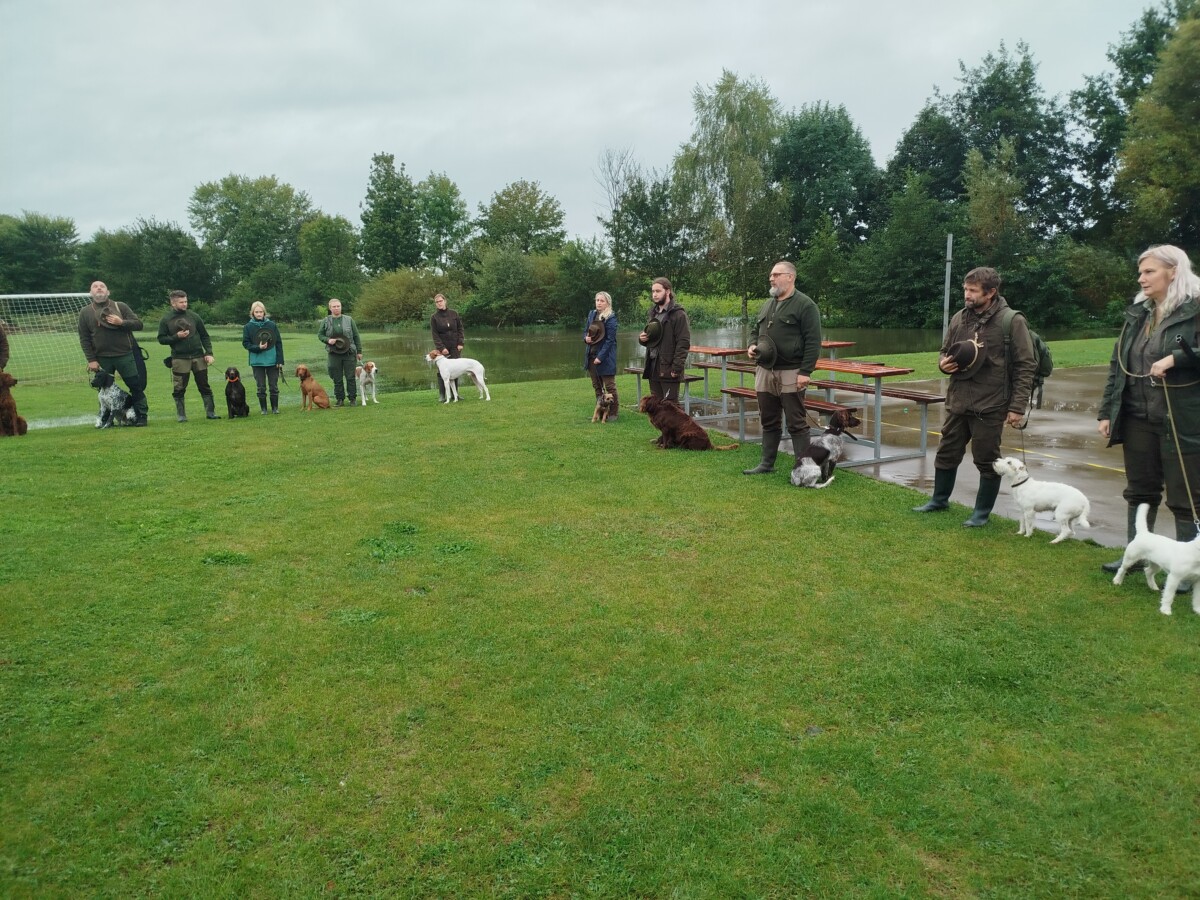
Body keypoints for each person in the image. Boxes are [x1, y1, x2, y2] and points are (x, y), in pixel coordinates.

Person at [1098, 245, 1200, 573]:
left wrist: (1177, 357)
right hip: (1138, 417)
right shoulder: (1138, 314)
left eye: (1149, 271)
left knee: (1186, 498)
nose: (1141, 279)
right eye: (1141, 272)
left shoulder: (1195, 309)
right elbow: (1119, 364)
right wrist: (1106, 411)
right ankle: (1136, 555)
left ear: (1173, 271)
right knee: (1140, 490)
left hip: (1182, 417)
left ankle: (1189, 566)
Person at [914, 266, 1035, 526]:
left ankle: (981, 514)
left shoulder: (1011, 321)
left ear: (991, 292)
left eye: (973, 291)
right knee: (946, 452)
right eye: (965, 289)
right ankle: (939, 500)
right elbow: (945, 350)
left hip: (990, 404)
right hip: (959, 400)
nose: (967, 295)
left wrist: (1017, 406)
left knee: (987, 460)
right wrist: (942, 363)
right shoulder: (960, 317)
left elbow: (1026, 365)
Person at [742, 261, 822, 475]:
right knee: (768, 419)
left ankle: (803, 470)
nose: (772, 278)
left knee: (796, 422)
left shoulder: (805, 305)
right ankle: (766, 464)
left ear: (790, 277)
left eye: (776, 274)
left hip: (792, 371)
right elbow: (754, 329)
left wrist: (806, 372)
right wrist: (751, 345)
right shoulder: (767, 304)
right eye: (771, 275)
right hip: (765, 370)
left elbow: (813, 341)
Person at [77, 280, 148, 426]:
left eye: (102, 286)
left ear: (108, 292)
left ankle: (141, 415)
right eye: (95, 287)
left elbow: (139, 324)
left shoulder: (120, 306)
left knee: (135, 386)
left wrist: (121, 322)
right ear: (91, 293)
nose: (99, 289)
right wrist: (91, 359)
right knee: (103, 391)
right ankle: (105, 419)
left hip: (125, 355)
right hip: (102, 358)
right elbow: (84, 338)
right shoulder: (85, 312)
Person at [158, 289, 218, 421]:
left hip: (198, 357)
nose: (184, 304)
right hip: (179, 358)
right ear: (173, 303)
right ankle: (181, 415)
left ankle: (210, 412)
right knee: (179, 388)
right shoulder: (166, 319)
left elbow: (204, 336)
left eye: (185, 301)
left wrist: (208, 353)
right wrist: (176, 337)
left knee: (204, 386)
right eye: (181, 302)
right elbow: (161, 339)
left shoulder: (194, 316)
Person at [638, 277, 690, 404]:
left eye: (658, 291)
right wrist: (642, 339)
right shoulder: (653, 313)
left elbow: (683, 342)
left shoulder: (678, 314)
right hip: (653, 365)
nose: (654, 294)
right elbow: (653, 338)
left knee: (670, 407)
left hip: (669, 366)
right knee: (657, 407)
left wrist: (677, 368)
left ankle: (681, 425)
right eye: (653, 291)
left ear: (668, 291)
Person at [242, 301, 285, 414]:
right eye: (256, 312)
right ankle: (264, 409)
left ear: (264, 312)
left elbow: (279, 343)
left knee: (273, 386)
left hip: (272, 360)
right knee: (261, 386)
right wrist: (258, 347)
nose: (259, 314)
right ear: (252, 313)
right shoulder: (248, 327)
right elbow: (246, 344)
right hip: (257, 361)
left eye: (261, 312)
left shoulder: (271, 325)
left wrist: (280, 360)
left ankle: (275, 408)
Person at [318, 298, 362, 407]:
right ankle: (340, 399)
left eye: (338, 306)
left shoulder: (349, 319)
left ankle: (352, 399)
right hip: (334, 353)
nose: (337, 308)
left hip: (349, 352)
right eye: (334, 306)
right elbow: (320, 335)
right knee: (337, 377)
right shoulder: (326, 321)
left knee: (350, 377)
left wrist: (359, 351)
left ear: (341, 307)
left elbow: (356, 336)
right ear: (330, 308)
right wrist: (328, 340)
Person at [584, 291, 619, 420]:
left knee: (610, 386)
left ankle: (613, 413)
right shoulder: (592, 314)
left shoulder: (611, 318)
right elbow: (586, 331)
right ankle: (599, 411)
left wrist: (600, 357)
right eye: (597, 300)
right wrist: (585, 338)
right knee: (597, 386)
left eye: (601, 300)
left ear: (607, 303)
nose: (598, 303)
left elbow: (610, 341)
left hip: (606, 358)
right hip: (591, 355)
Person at [430, 293, 464, 402]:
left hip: (455, 346)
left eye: (440, 301)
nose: (439, 303)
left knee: (456, 369)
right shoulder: (434, 317)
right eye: (437, 302)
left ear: (445, 301)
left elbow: (460, 329)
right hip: (442, 348)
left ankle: (455, 395)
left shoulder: (454, 314)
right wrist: (441, 348)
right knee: (442, 372)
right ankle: (442, 395)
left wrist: (460, 343)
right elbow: (435, 335)